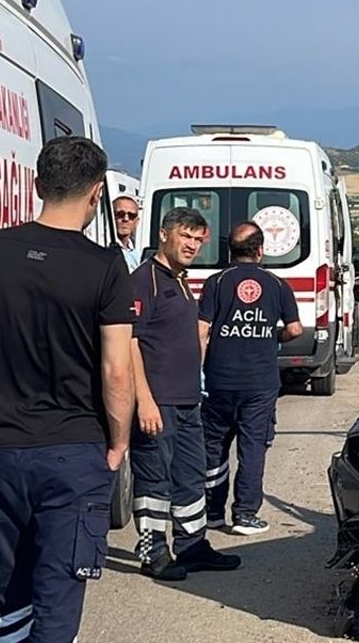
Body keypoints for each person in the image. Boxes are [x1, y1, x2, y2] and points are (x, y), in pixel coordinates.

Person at [0, 136, 135, 642]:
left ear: (37, 185)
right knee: (58, 594)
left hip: (4, 447)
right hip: (75, 451)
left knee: (13, 592)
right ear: (97, 194)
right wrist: (119, 439)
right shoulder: (106, 267)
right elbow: (117, 369)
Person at [130, 207, 241, 579]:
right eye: (185, 236)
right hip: (156, 402)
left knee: (191, 476)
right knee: (153, 480)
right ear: (164, 234)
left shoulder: (178, 278)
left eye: (198, 238)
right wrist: (143, 399)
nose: (192, 244)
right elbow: (128, 343)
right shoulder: (144, 279)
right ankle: (153, 552)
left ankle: (192, 545)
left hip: (188, 400)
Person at [199, 221, 304, 535]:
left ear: (230, 251)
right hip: (259, 384)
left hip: (219, 380)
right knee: (252, 447)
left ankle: (213, 511)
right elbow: (296, 329)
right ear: (261, 250)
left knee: (214, 446)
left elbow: (201, 332)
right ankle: (244, 515)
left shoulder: (216, 283)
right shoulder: (276, 284)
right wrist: (272, 337)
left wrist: (197, 372)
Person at [114, 196, 142, 270]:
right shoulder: (104, 249)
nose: (126, 219)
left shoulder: (138, 254)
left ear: (136, 222)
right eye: (120, 214)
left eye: (131, 216)